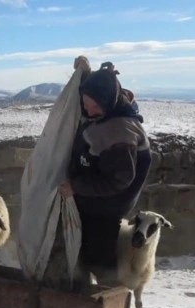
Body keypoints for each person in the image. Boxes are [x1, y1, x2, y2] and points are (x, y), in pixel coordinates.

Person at [58, 56, 152, 282]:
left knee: (98, 258)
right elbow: (100, 90)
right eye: (86, 103)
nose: (89, 111)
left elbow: (117, 181)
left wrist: (76, 186)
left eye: (95, 105)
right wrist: (84, 72)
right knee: (82, 250)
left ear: (108, 101)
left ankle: (109, 305)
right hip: (93, 198)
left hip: (107, 205)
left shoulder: (119, 133)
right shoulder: (111, 106)